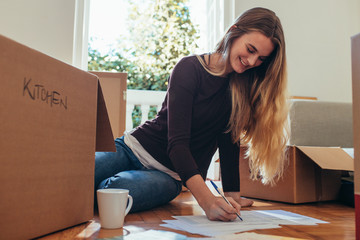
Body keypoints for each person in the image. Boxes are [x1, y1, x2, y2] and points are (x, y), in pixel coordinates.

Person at [94, 7, 289, 222]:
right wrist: (207, 201)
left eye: (261, 59)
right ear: (233, 32)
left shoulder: (240, 91)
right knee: (83, 169)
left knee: (116, 189)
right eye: (251, 49)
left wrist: (232, 195)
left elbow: (229, 143)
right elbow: (177, 144)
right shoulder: (189, 68)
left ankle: (93, 189)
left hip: (170, 176)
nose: (252, 62)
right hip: (132, 148)